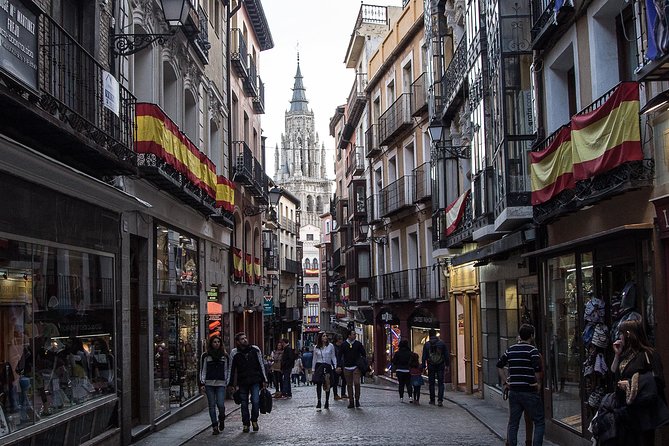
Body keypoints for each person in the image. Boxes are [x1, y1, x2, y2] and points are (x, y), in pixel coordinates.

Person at [608, 319, 669, 446]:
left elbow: (658, 380)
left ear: (629, 334)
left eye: (621, 333)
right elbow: (614, 371)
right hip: (625, 410)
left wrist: (632, 383)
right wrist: (617, 354)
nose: (619, 336)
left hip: (642, 412)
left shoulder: (648, 354)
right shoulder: (626, 353)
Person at [497, 324, 544, 446]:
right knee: (539, 421)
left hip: (514, 391)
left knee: (513, 423)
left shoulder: (511, 349)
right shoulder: (533, 351)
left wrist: (505, 382)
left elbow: (499, 365)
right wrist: (538, 384)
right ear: (531, 336)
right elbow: (537, 370)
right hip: (529, 391)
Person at [228, 332, 267, 433]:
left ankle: (254, 420)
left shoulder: (255, 349)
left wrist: (264, 379)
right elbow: (231, 369)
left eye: (245, 338)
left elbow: (261, 364)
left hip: (255, 380)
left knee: (255, 401)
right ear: (237, 342)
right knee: (244, 404)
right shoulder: (234, 353)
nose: (245, 340)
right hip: (243, 381)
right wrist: (231, 383)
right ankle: (245, 423)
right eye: (242, 339)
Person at [199, 335, 229, 435]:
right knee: (211, 405)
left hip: (220, 383)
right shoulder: (205, 356)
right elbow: (203, 370)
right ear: (211, 344)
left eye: (218, 342)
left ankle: (221, 418)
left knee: (220, 404)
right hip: (209, 383)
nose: (216, 344)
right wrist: (202, 382)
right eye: (214, 342)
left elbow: (226, 370)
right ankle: (215, 426)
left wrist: (226, 382)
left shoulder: (224, 356)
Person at [421, 329, 449, 406]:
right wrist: (447, 365)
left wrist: (423, 367)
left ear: (429, 335)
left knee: (431, 383)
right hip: (440, 364)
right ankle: (440, 400)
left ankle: (432, 400)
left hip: (431, 365)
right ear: (436, 334)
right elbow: (446, 355)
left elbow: (424, 357)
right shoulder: (442, 343)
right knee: (440, 383)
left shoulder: (427, 344)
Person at [340, 329, 366, 408]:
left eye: (355, 334)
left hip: (356, 367)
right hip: (347, 367)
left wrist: (362, 362)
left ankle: (357, 399)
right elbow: (340, 355)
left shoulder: (358, 344)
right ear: (349, 335)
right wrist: (339, 365)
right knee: (349, 384)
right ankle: (351, 401)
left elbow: (363, 354)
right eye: (353, 334)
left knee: (357, 383)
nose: (355, 335)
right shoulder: (344, 344)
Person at [312, 332, 337, 410]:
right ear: (320, 338)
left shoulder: (331, 346)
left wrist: (335, 366)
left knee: (327, 383)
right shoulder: (316, 347)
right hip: (319, 366)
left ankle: (327, 401)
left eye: (326, 336)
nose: (325, 337)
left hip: (327, 366)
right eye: (323, 336)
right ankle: (319, 401)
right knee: (319, 383)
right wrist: (313, 369)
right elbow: (314, 359)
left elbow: (333, 356)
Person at [333, 334, 347, 400]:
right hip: (336, 365)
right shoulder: (333, 347)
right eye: (341, 339)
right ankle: (335, 394)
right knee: (335, 381)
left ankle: (343, 393)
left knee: (344, 379)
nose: (342, 340)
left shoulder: (343, 346)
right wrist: (335, 366)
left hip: (343, 365)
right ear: (338, 340)